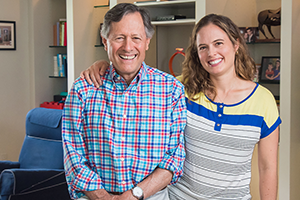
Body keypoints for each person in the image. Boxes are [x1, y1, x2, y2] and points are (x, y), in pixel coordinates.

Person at [81, 13, 281, 200]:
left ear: (236, 44)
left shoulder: (263, 100)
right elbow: (138, 78)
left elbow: (267, 168)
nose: (211, 53)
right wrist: (105, 65)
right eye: (203, 47)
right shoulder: (178, 89)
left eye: (218, 43)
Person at [62, 3, 187, 200]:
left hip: (150, 196)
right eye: (119, 38)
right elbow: (74, 156)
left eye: (136, 38)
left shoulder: (171, 90)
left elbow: (174, 159)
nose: (128, 47)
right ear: (105, 42)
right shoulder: (82, 90)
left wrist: (134, 195)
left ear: (147, 41)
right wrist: (105, 198)